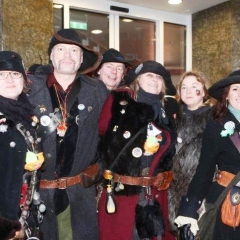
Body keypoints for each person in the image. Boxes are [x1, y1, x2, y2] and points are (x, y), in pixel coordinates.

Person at [27, 29, 108, 240]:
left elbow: (106, 132)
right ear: (51, 56)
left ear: (81, 59)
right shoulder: (28, 87)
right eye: (61, 49)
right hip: (38, 193)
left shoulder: (97, 90)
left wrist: (99, 166)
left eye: (74, 51)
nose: (68, 56)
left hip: (80, 193)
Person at [97, 60, 176, 240]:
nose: (154, 80)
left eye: (158, 77)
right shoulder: (119, 101)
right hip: (123, 194)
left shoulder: (165, 112)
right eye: (149, 75)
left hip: (155, 196)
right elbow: (101, 134)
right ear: (138, 80)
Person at [174, 70, 240, 240]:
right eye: (235, 89)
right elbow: (204, 170)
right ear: (226, 95)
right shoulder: (216, 125)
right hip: (229, 202)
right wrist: (188, 214)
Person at [0, 51, 44, 239]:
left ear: (24, 80)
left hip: (25, 213)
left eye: (15, 74)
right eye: (1, 74)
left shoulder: (28, 114)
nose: (10, 79)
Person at [168, 71, 214, 236]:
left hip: (201, 192)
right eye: (184, 87)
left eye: (194, 87)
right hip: (171, 193)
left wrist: (205, 197)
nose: (188, 91)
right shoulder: (171, 118)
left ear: (203, 91)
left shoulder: (215, 118)